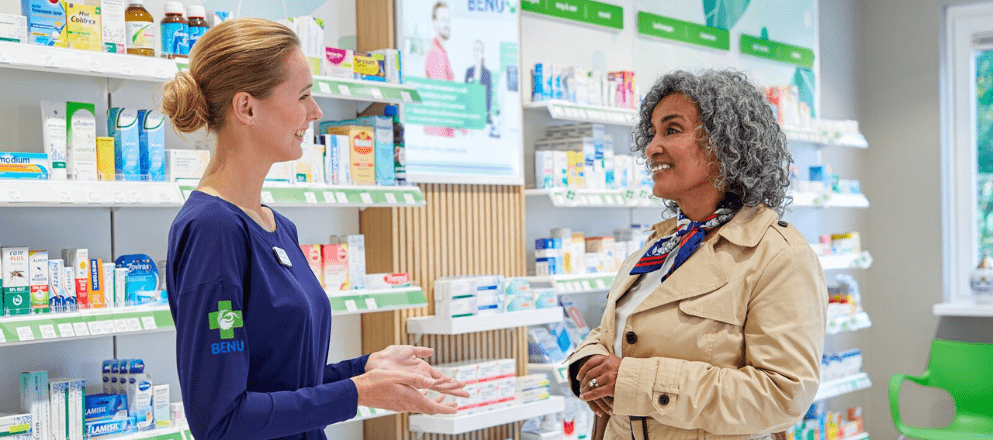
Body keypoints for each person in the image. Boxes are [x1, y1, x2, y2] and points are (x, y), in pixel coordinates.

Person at [160, 18, 467, 440]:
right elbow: (221, 419)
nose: (316, 111)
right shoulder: (213, 230)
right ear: (246, 107)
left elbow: (279, 381)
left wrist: (367, 368)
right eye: (303, 95)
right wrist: (357, 392)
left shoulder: (276, 226)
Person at [565, 69, 827, 440]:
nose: (652, 147)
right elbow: (621, 331)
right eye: (652, 132)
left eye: (671, 130)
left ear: (726, 144)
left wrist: (634, 380)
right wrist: (588, 360)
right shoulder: (660, 246)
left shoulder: (779, 257)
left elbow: (782, 396)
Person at [424, 1, 454, 137]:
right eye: (443, 20)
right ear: (435, 23)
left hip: (441, 131)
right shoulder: (436, 54)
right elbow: (444, 96)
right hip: (439, 133)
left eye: (448, 20)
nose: (447, 24)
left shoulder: (442, 52)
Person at [464, 39, 492, 123]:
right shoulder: (469, 71)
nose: (476, 52)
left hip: (482, 115)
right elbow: (465, 92)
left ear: (482, 53)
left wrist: (485, 112)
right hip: (469, 113)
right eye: (474, 49)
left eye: (478, 50)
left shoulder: (487, 73)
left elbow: (489, 95)